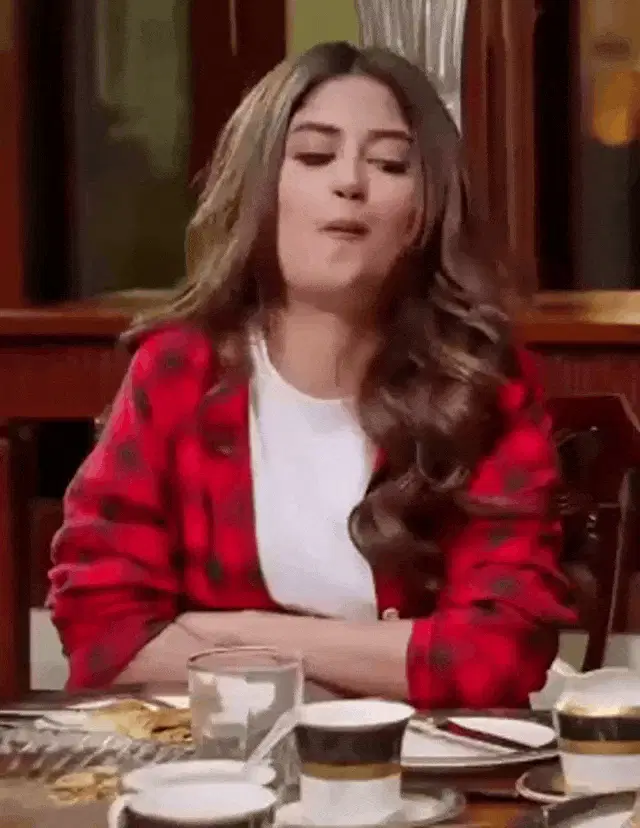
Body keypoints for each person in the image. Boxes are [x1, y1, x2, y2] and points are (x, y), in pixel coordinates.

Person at [48, 41, 576, 708]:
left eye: (389, 164)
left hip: (429, 761)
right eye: (314, 155)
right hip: (219, 760)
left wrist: (239, 637)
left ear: (426, 209)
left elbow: (501, 652)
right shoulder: (177, 371)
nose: (350, 182)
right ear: (260, 188)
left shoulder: (483, 383)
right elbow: (105, 636)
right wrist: (380, 661)